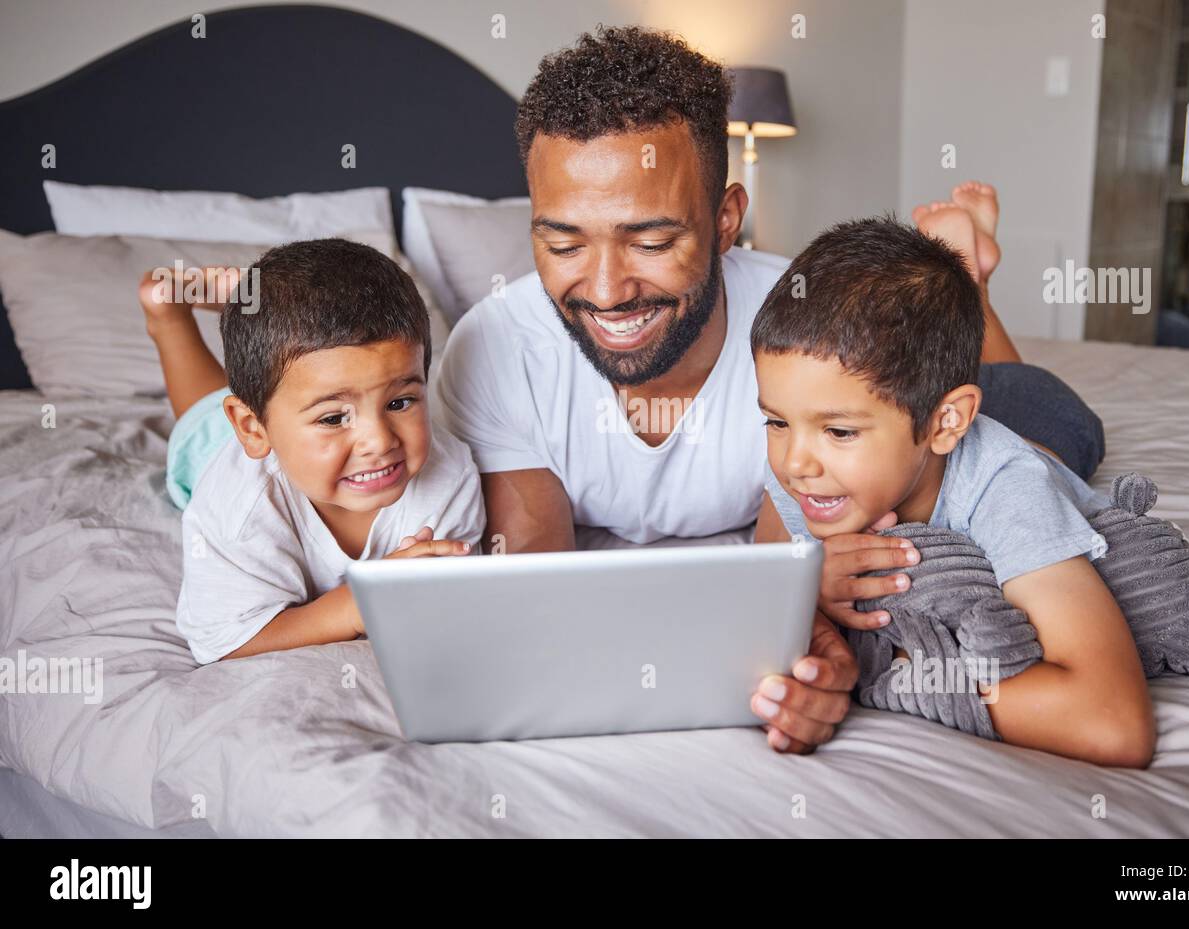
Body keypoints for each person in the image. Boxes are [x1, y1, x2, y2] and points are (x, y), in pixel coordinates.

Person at [437, 25, 1105, 753]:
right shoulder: (492, 348)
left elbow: (786, 559)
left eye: (652, 242)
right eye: (564, 244)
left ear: (727, 220)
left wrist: (809, 625)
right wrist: (812, 648)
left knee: (1029, 440)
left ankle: (969, 284)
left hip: (1010, 405)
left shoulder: (797, 331)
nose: (605, 291)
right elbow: (540, 588)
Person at [751, 216, 1154, 767]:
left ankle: (977, 285)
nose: (793, 464)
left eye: (839, 431)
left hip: (1043, 419)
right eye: (775, 422)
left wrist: (891, 670)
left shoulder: (1009, 487)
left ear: (948, 422)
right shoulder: (803, 463)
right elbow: (759, 591)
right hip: (942, 412)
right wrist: (809, 598)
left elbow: (1113, 725)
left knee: (1019, 382)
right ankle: (971, 278)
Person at [138, 239, 484, 664]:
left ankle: (253, 304)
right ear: (251, 428)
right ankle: (168, 312)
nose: (379, 442)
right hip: (218, 446)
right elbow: (227, 643)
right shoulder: (237, 507)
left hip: (283, 414)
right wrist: (358, 604)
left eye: (399, 402)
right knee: (200, 414)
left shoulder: (450, 475)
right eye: (334, 418)